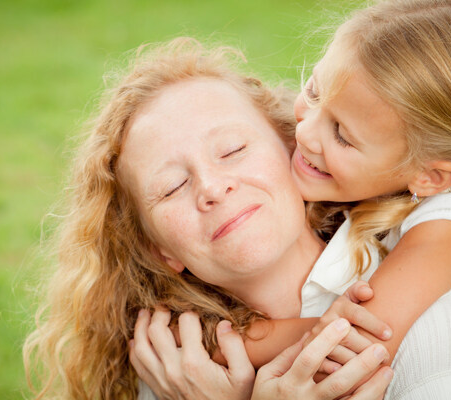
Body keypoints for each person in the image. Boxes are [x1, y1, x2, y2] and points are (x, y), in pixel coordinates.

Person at [133, 0, 451, 398]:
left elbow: (356, 342)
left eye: (343, 136)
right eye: (313, 93)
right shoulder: (363, 186)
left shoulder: (449, 219)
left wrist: (225, 351)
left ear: (430, 177)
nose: (305, 134)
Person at [22, 38, 395, 400]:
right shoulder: (179, 371)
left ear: (293, 151)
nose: (212, 187)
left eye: (233, 150)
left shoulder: (413, 274)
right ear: (159, 251)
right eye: (172, 187)